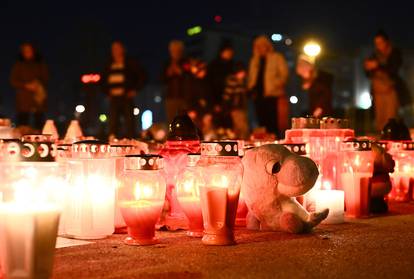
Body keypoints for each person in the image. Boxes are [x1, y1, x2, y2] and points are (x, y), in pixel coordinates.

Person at [364, 30, 411, 131]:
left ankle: (392, 138)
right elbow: (368, 74)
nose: (378, 45)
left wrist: (378, 65)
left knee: (391, 118)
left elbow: (393, 69)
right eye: (376, 43)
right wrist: (368, 68)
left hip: (390, 90)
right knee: (380, 119)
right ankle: (382, 140)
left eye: (380, 43)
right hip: (378, 92)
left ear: (387, 42)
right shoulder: (374, 55)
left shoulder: (394, 53)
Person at [101, 41, 146, 139]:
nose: (115, 51)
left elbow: (142, 76)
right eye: (113, 49)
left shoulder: (130, 63)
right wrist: (107, 92)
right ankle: (113, 140)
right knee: (113, 121)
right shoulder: (109, 63)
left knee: (129, 121)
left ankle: (131, 141)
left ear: (123, 49)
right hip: (113, 97)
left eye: (117, 48)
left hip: (126, 96)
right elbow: (102, 80)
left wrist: (135, 90)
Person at [247, 35, 289, 138]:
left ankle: (275, 142)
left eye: (262, 45)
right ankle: (265, 143)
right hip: (258, 96)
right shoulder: (254, 60)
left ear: (267, 46)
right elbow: (252, 76)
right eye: (258, 46)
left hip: (272, 94)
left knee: (273, 121)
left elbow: (284, 75)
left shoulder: (277, 57)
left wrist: (276, 84)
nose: (260, 48)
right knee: (261, 121)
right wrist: (250, 88)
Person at [10, 43, 48, 130]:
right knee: (23, 123)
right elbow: (13, 80)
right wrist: (26, 85)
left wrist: (37, 83)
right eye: (25, 51)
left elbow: (46, 77)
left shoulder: (40, 64)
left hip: (38, 99)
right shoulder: (19, 65)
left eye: (29, 50)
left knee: (39, 123)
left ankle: (39, 141)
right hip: (23, 100)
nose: (28, 53)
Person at [162, 40, 191, 124]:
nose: (175, 52)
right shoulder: (167, 63)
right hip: (170, 97)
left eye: (177, 50)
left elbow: (189, 77)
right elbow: (162, 79)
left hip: (184, 96)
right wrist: (169, 73)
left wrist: (180, 72)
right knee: (171, 120)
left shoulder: (186, 62)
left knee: (185, 120)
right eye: (173, 50)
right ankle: (172, 136)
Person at [223, 62, 249, 139]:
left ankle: (239, 142)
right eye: (242, 72)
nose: (244, 74)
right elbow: (227, 95)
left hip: (242, 107)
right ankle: (242, 142)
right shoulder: (233, 81)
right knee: (242, 127)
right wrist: (227, 106)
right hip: (236, 108)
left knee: (239, 127)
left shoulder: (242, 82)